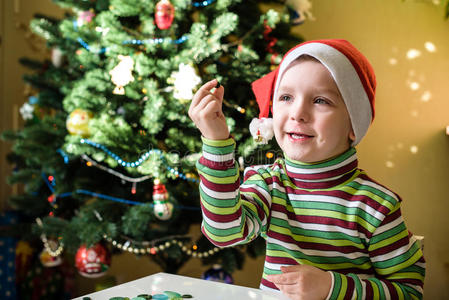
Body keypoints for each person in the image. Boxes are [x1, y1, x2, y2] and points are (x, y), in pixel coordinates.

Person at [188, 39, 425, 300]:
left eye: (320, 100)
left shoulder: (377, 206)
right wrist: (216, 142)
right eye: (286, 97)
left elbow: (409, 292)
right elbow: (223, 232)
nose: (298, 113)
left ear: (354, 124)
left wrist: (331, 288)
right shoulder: (268, 184)